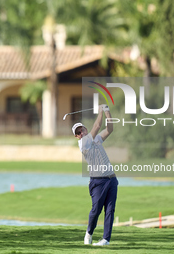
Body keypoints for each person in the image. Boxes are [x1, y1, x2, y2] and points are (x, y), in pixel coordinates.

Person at [72, 104, 118, 246]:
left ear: (85, 129)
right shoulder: (83, 143)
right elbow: (97, 125)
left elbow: (109, 129)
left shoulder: (97, 139)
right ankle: (89, 233)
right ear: (77, 136)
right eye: (79, 132)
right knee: (96, 210)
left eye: (83, 129)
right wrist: (100, 112)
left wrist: (107, 112)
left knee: (110, 210)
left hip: (111, 179)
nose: (82, 133)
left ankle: (106, 239)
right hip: (97, 182)